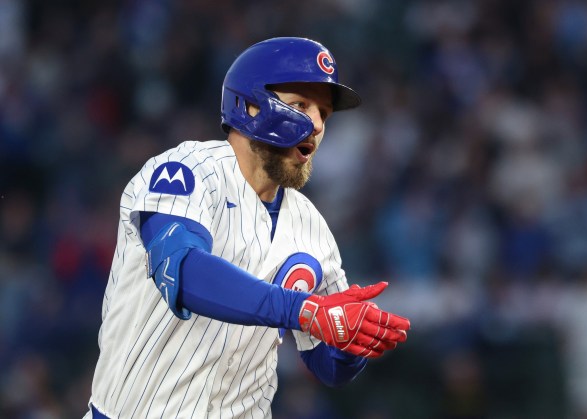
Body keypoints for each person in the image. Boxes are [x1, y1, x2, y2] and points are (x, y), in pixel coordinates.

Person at [85, 37, 410, 418]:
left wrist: (351, 343)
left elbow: (328, 367)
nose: (317, 124)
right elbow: (181, 271)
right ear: (251, 105)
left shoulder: (311, 228)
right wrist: (302, 310)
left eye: (324, 113)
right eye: (301, 105)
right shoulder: (187, 169)